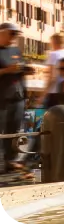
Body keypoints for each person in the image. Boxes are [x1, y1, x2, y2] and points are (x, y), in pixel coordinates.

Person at [0, 23, 28, 174]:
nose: (14, 37)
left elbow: (21, 70)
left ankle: (11, 161)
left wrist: (25, 69)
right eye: (11, 34)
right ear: (2, 33)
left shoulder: (15, 50)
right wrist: (6, 70)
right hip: (2, 98)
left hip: (18, 97)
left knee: (14, 130)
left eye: (16, 34)